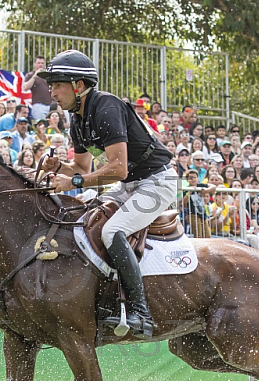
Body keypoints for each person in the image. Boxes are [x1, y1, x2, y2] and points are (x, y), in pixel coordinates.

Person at [40, 50, 177, 338]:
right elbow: (81, 166)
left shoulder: (106, 107)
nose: (52, 93)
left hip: (157, 181)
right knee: (87, 222)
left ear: (78, 86)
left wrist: (73, 180)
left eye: (57, 85)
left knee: (112, 231)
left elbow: (118, 168)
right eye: (51, 86)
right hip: (130, 185)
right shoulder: (76, 119)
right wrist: (60, 167)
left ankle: (140, 311)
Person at [23, 55, 54, 121]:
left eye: (42, 63)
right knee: (41, 124)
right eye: (39, 63)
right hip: (38, 105)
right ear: (34, 64)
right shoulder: (31, 75)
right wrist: (34, 77)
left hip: (51, 105)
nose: (40, 65)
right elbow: (25, 87)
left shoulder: (48, 75)